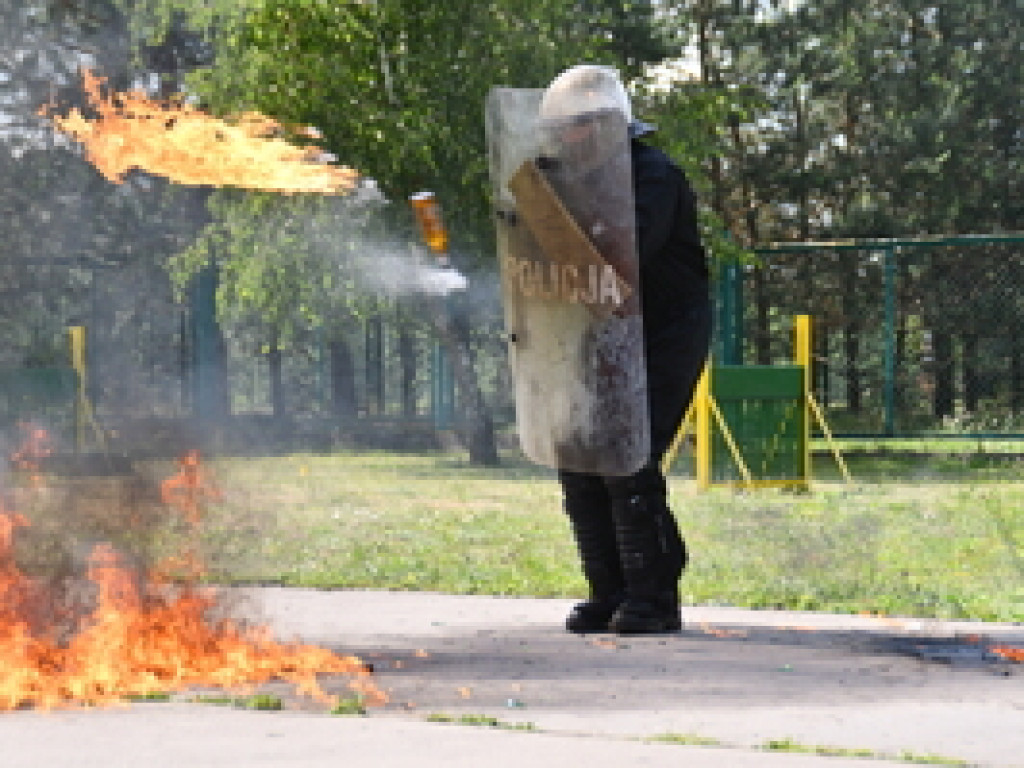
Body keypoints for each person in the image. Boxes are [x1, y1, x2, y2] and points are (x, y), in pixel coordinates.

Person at [540, 64, 712, 634]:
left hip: (665, 332)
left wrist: (563, 213)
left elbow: (623, 250)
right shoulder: (574, 181)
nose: (567, 140)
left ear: (609, 123)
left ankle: (653, 597)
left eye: (578, 127)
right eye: (562, 129)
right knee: (579, 454)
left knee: (627, 455)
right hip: (606, 331)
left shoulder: (652, 174)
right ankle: (610, 591)